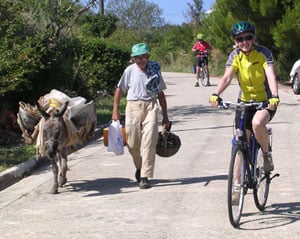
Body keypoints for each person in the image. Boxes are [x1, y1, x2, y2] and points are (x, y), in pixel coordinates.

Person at [209, 21, 280, 203]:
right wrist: (216, 93)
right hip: (245, 102)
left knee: (257, 124)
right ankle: (236, 186)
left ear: (253, 38)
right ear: (235, 41)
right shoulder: (235, 56)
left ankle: (266, 155)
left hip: (266, 101)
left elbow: (271, 75)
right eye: (240, 39)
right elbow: (226, 77)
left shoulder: (263, 53)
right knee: (239, 142)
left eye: (248, 37)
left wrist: (275, 96)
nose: (244, 42)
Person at [112, 43, 170, 189]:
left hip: (150, 106)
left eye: (143, 57)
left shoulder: (155, 70)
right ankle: (139, 166)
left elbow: (160, 94)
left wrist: (165, 116)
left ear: (148, 56)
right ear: (134, 59)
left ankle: (145, 176)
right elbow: (119, 89)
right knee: (132, 143)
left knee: (150, 140)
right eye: (137, 58)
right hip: (132, 106)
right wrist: (115, 110)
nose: (141, 60)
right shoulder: (129, 71)